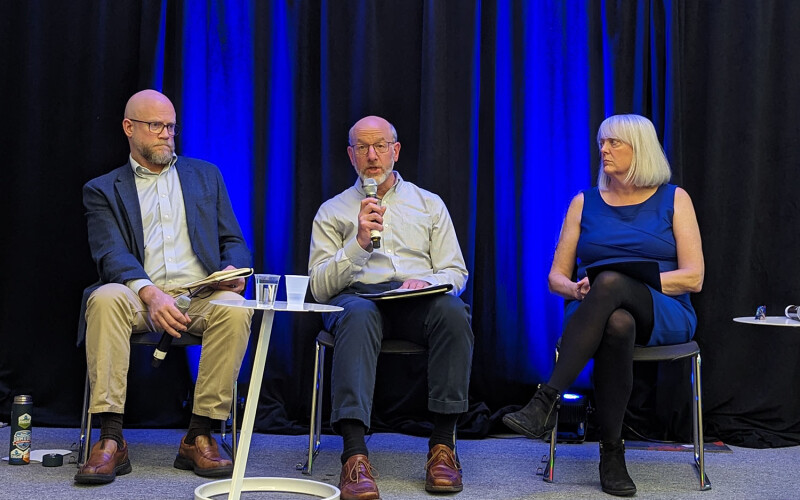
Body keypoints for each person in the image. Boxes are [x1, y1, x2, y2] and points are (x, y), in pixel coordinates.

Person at [503, 114, 704, 497]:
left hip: (663, 310)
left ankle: (545, 399)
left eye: (614, 143)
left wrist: (631, 282)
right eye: (602, 143)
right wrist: (577, 290)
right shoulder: (585, 203)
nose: (603, 150)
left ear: (639, 149)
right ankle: (612, 454)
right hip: (594, 312)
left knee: (611, 282)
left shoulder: (674, 199)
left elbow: (693, 277)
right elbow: (556, 278)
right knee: (617, 323)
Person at [75, 90, 253, 485]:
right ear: (129, 128)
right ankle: (109, 438)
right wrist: (150, 293)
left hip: (200, 294)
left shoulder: (205, 175)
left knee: (236, 308)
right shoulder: (103, 189)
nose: (166, 135)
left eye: (171, 126)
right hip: (137, 295)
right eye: (155, 126)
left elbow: (233, 239)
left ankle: (200, 434)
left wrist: (233, 268)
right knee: (104, 298)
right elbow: (110, 254)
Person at [308, 115, 474, 499]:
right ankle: (354, 457)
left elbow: (455, 270)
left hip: (416, 299)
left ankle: (443, 447)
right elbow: (318, 287)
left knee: (452, 311)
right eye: (362, 147)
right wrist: (360, 244)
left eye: (380, 145)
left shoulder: (428, 204)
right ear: (351, 155)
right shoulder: (332, 210)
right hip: (358, 298)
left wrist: (427, 282)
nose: (372, 155)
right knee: (359, 316)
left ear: (395, 151)